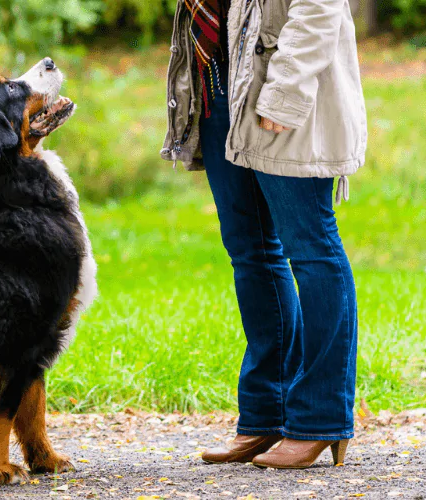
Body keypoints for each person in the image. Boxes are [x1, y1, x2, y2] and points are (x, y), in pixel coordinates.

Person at [160, 0, 368, 469]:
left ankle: (320, 418)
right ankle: (265, 414)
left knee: (310, 247)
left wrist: (286, 91)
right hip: (216, 85)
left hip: (278, 88)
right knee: (250, 253)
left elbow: (319, 8)